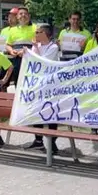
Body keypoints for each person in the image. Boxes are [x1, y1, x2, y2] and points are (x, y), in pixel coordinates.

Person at [25, 24, 62, 152]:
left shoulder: (53, 47)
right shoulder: (38, 46)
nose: (35, 34)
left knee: (51, 112)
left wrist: (35, 48)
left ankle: (52, 141)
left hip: (51, 85)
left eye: (38, 32)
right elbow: (32, 61)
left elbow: (44, 61)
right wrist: (33, 49)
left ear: (45, 33)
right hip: (38, 84)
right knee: (37, 110)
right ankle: (38, 139)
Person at [5, 7, 36, 86]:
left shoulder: (35, 28)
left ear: (29, 16)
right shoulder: (12, 30)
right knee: (18, 82)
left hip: (31, 60)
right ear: (17, 17)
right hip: (16, 60)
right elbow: (8, 45)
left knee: (30, 83)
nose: (23, 15)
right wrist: (11, 51)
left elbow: (39, 44)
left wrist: (26, 51)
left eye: (25, 14)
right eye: (21, 14)